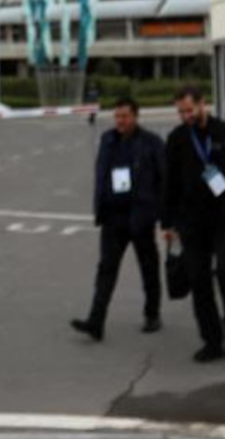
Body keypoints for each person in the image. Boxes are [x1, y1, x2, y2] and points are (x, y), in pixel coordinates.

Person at [160, 87, 225, 363]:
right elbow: (170, 183)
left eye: (190, 110)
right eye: (180, 112)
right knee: (199, 281)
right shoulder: (177, 139)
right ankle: (212, 340)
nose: (186, 116)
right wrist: (167, 222)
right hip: (190, 223)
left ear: (203, 104)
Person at [70, 98, 166, 340]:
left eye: (125, 116)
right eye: (117, 116)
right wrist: (100, 207)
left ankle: (152, 314)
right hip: (113, 217)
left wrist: (162, 215)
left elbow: (165, 179)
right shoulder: (108, 140)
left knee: (148, 267)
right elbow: (101, 175)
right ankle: (96, 321)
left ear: (136, 116)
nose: (120, 121)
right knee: (106, 269)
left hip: (140, 216)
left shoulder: (151, 143)